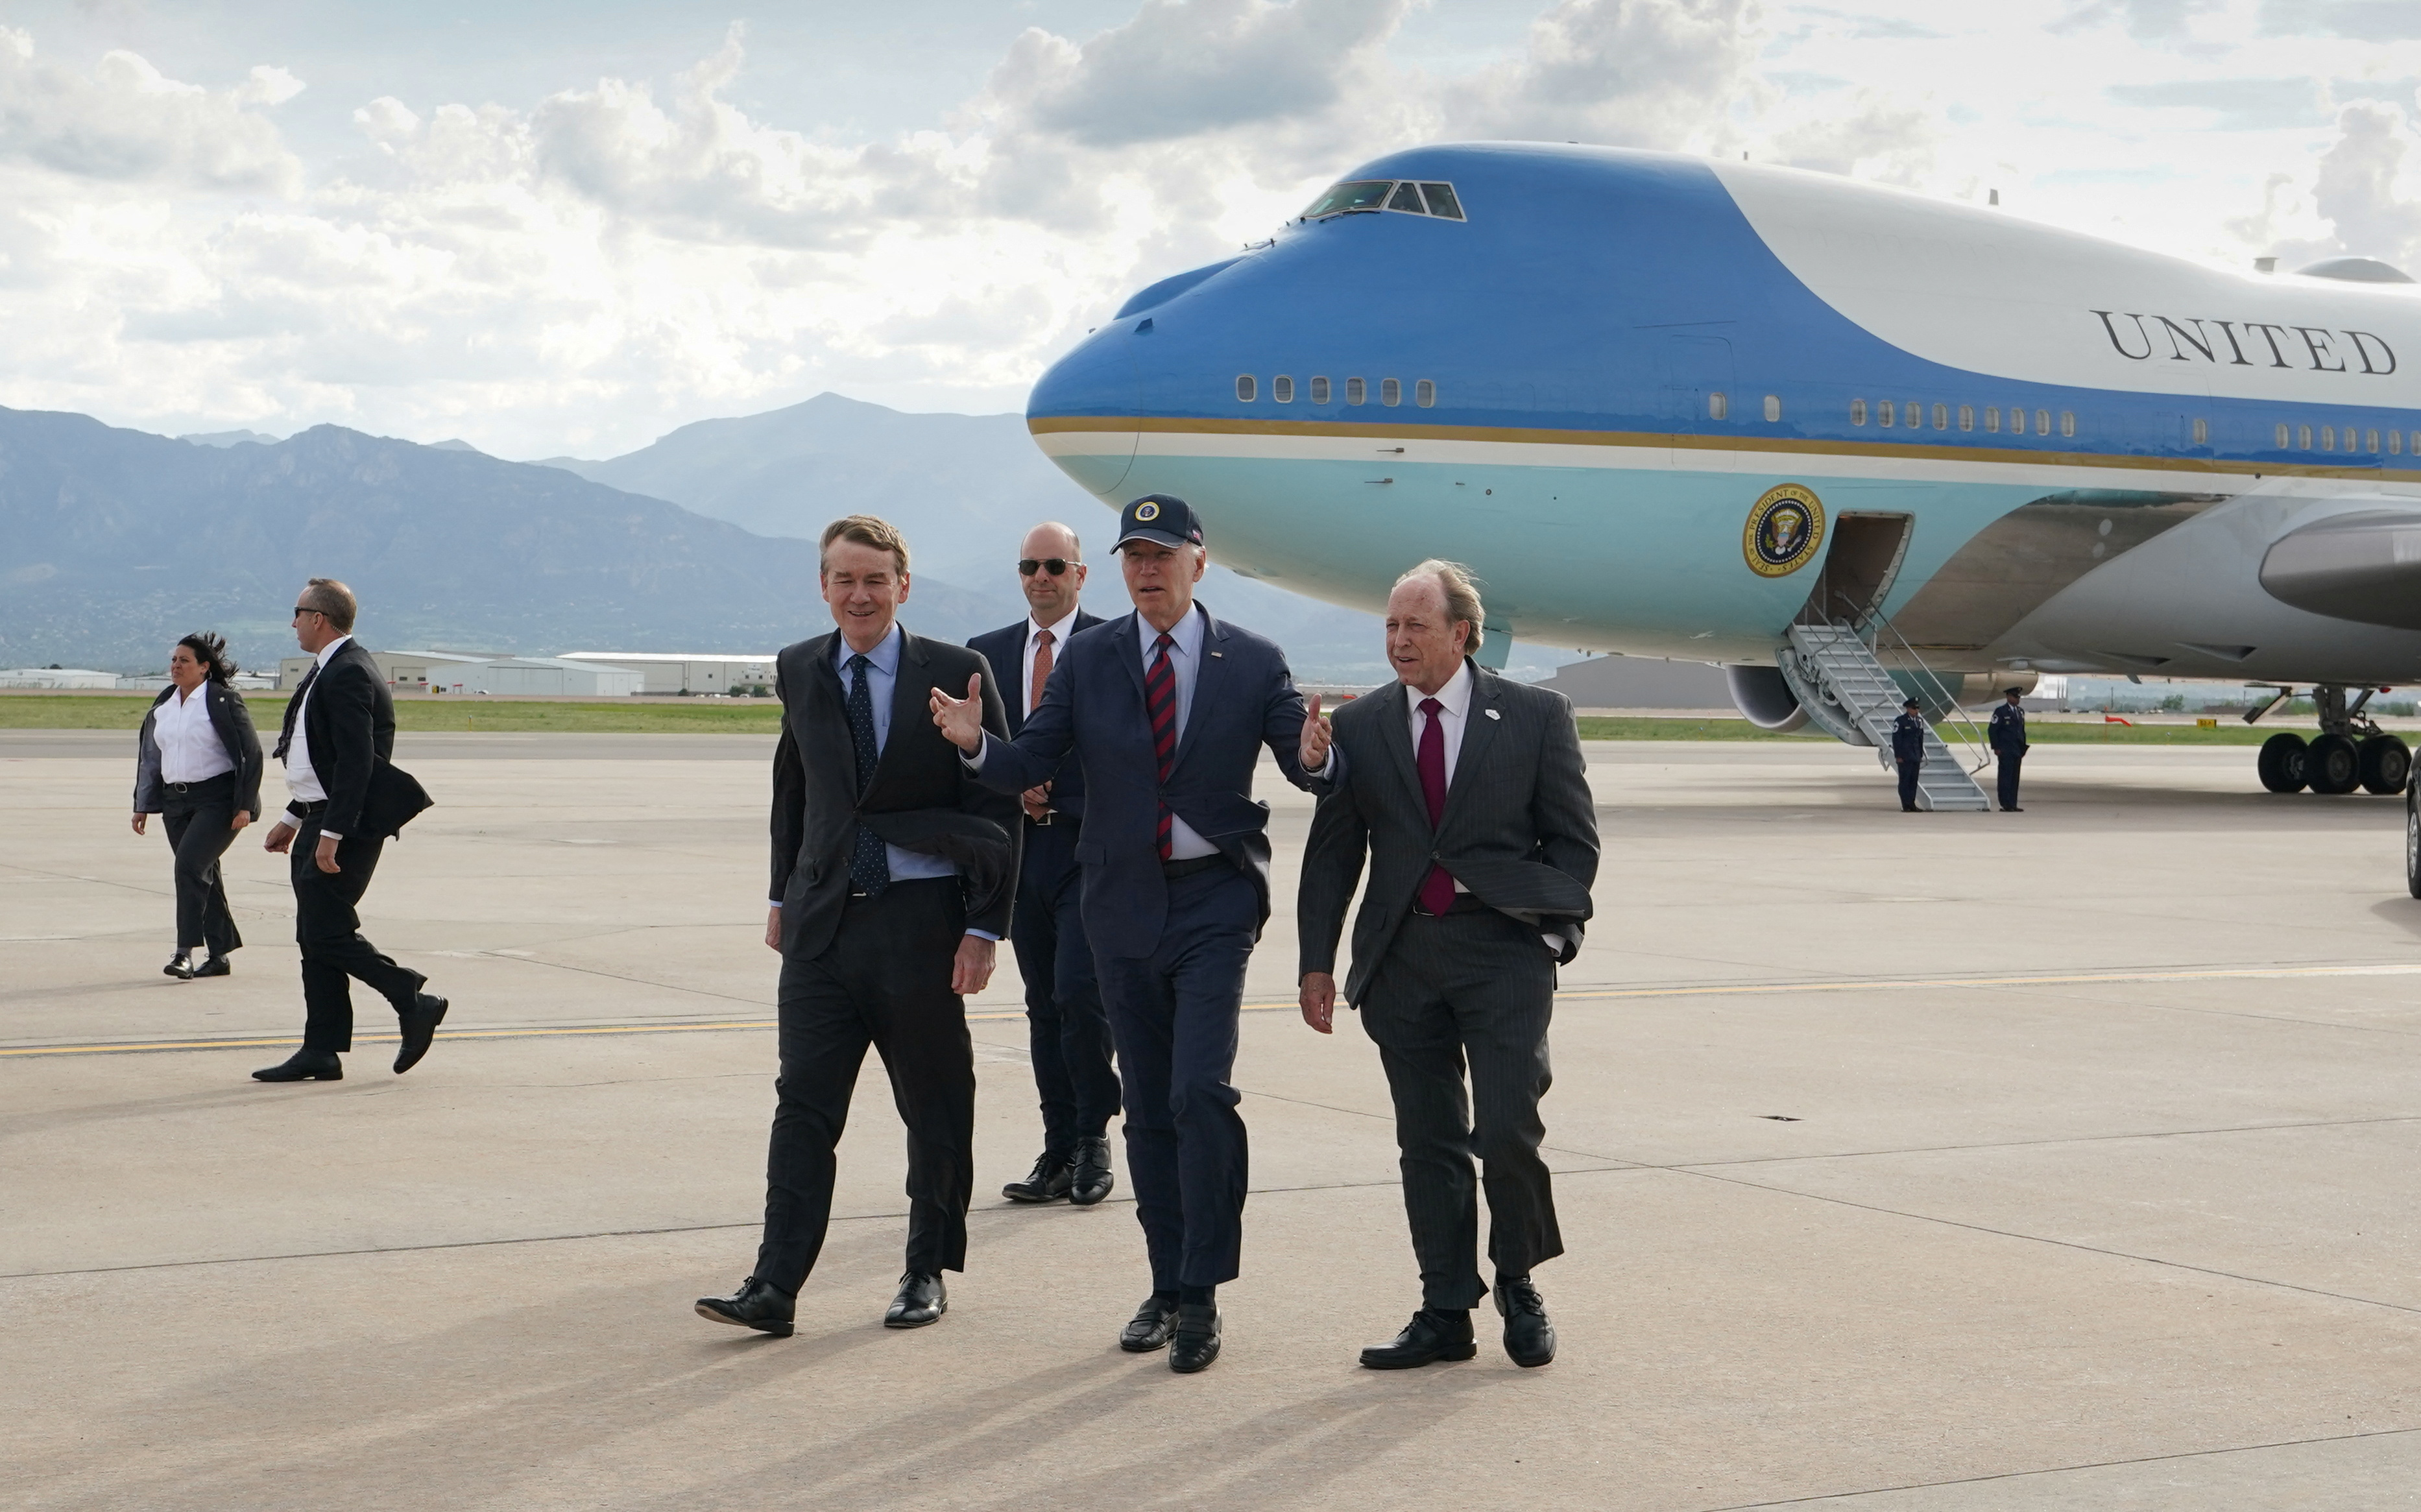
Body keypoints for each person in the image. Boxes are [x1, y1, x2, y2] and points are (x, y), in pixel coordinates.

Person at [930, 494, 1336, 1375]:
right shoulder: (1092, 658)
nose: (1146, 568)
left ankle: (1204, 1284)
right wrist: (975, 747)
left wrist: (1315, 754)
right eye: (1133, 555)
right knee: (1148, 1104)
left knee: (1200, 1093)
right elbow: (1033, 758)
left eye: (1162, 553)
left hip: (1214, 903)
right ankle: (1170, 1283)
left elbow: (1307, 769)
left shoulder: (1252, 660)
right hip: (1119, 904)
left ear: (1200, 560)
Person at [696, 515, 1018, 1340]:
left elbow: (997, 806)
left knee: (934, 1104)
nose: (860, 594)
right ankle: (775, 1284)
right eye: (845, 579)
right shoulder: (801, 666)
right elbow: (793, 789)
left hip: (921, 924)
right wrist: (780, 895)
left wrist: (985, 928)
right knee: (802, 1106)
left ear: (903, 587)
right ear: (824, 586)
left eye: (875, 580)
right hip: (822, 925)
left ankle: (926, 1269)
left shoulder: (956, 670)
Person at [1296, 562, 1598, 1371]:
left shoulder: (1535, 716)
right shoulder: (1360, 728)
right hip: (1402, 958)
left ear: (1460, 634)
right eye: (1391, 627)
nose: (1398, 641)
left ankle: (1519, 1281)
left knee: (1506, 1129)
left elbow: (1575, 845)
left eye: (1415, 626)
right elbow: (1333, 857)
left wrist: (1544, 928)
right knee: (1426, 1141)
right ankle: (1444, 1309)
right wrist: (1316, 963)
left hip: (1502, 952)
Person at [969, 523, 1118, 1208]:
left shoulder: (1116, 648)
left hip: (1089, 849)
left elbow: (1131, 753)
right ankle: (1057, 1146)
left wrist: (1059, 786)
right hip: (1020, 852)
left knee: (1080, 996)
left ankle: (1093, 1138)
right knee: (1040, 1005)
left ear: (1081, 575)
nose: (1041, 576)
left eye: (1055, 565)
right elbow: (971, 751)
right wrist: (1009, 784)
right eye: (1029, 565)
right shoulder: (986, 653)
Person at [255, 579, 446, 1083]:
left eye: (296, 612)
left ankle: (412, 998)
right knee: (314, 936)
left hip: (348, 824)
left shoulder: (347, 673)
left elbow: (358, 763)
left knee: (325, 932)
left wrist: (332, 832)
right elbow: (324, 758)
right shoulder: (330, 670)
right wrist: (293, 817)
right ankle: (321, 1048)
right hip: (321, 817)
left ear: (319, 618)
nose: (292, 622)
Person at [131, 632, 263, 979]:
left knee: (189, 867)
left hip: (218, 801)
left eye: (184, 660)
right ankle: (220, 956)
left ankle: (184, 952)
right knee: (204, 874)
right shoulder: (164, 705)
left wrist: (245, 805)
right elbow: (151, 759)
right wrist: (143, 803)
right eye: (174, 660)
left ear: (204, 668)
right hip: (176, 802)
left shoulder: (222, 701)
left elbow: (251, 754)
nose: (176, 665)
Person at [1990, 688, 2028, 811]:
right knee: (2005, 778)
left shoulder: (2020, 712)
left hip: (2017, 749)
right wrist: (1996, 747)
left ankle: (2013, 803)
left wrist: (2023, 747)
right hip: (2005, 749)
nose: (2018, 700)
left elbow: (2021, 731)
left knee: (2014, 778)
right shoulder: (2001, 712)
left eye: (2018, 697)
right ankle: (2005, 804)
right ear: (2009, 697)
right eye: (2015, 697)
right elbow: (1993, 730)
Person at [1891, 697, 1926, 812]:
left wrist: (1920, 754)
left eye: (1918, 708)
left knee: (1913, 781)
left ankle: (1912, 804)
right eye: (1914, 708)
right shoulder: (1900, 721)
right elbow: (1896, 739)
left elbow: (1920, 739)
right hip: (1905, 756)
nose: (1916, 710)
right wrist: (1898, 755)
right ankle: (1905, 804)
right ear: (1908, 709)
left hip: (1915, 755)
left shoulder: (1919, 721)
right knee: (1905, 781)